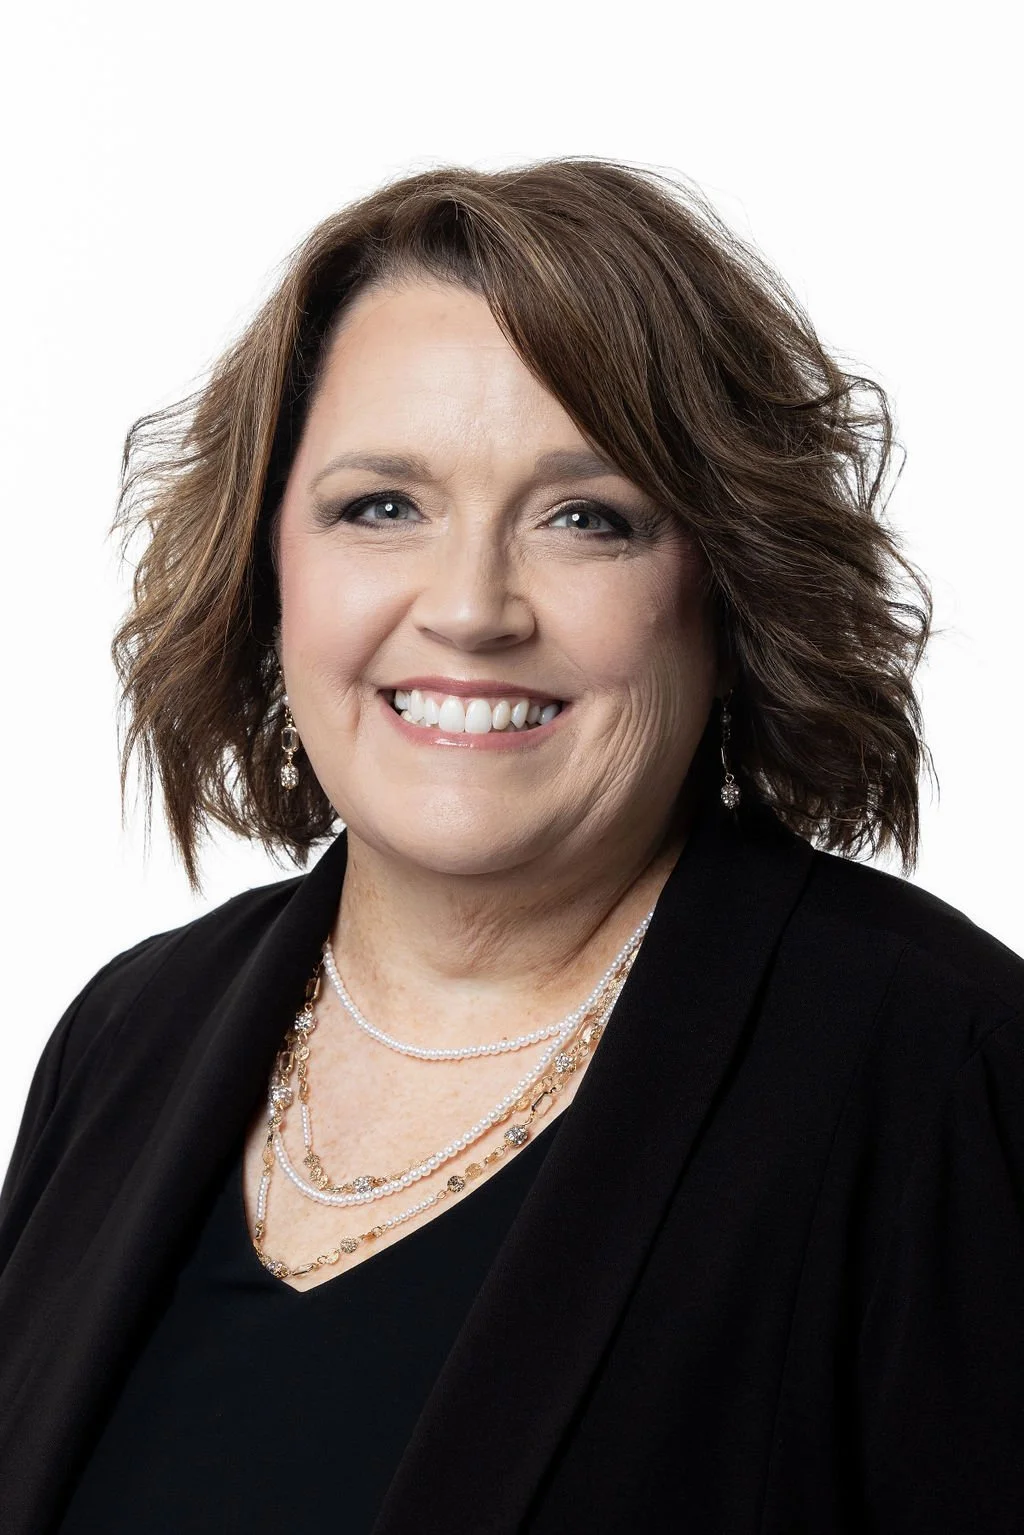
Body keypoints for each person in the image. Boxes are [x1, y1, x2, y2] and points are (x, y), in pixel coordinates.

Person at [1, 156, 1021, 1535]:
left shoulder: (939, 1071)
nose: (473, 607)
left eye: (584, 517)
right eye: (383, 505)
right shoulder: (129, 1038)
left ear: (721, 581)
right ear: (267, 566)